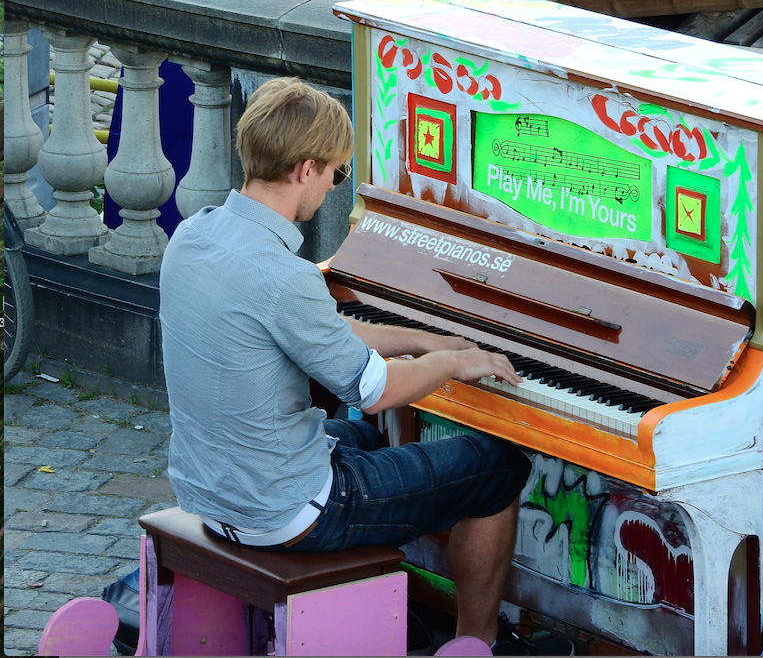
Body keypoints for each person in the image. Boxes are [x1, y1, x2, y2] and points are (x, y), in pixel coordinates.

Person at [159, 78, 572, 655]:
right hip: (282, 511)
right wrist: (454, 361)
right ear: (306, 169)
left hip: (211, 488)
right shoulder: (285, 277)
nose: (334, 186)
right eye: (337, 173)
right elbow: (375, 390)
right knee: (496, 468)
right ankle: (479, 641)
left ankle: (412, 602)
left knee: (369, 440)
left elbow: (322, 331)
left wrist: (423, 339)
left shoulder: (194, 234)